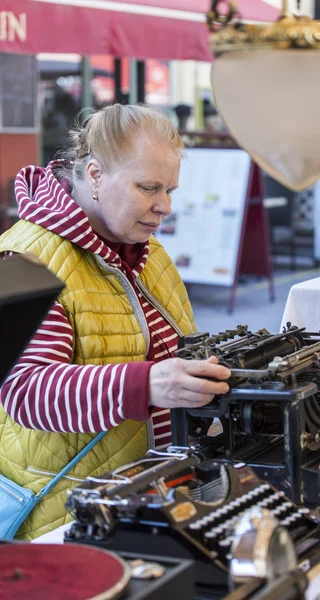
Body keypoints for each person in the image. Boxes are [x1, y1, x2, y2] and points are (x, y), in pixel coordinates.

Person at [0, 103, 231, 540]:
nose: (163, 207)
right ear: (94, 174)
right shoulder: (27, 259)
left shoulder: (149, 253)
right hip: (68, 513)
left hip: (149, 494)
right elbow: (26, 392)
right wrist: (146, 385)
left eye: (170, 190)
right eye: (148, 187)